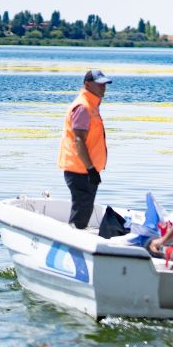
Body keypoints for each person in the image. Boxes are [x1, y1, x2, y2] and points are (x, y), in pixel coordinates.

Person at [57, 69, 111, 229]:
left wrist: (93, 169)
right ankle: (72, 245)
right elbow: (78, 139)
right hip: (80, 170)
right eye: (100, 84)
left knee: (84, 210)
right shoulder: (83, 106)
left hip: (86, 170)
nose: (103, 88)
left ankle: (75, 240)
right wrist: (90, 168)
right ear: (87, 84)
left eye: (105, 84)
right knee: (81, 212)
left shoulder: (91, 105)